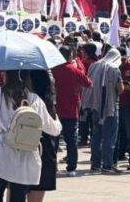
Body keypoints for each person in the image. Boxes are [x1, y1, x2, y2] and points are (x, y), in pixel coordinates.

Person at [0, 70, 62, 202]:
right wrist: (56, 118)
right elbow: (54, 130)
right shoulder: (34, 99)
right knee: (18, 198)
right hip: (24, 160)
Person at [51, 45, 90, 176]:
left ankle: (52, 165)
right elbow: (89, 83)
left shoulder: (52, 70)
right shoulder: (74, 70)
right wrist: (78, 85)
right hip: (71, 110)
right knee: (71, 140)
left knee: (54, 138)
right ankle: (71, 168)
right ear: (70, 56)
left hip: (55, 110)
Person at [88, 47, 124, 174]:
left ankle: (95, 164)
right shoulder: (115, 69)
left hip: (96, 105)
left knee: (96, 135)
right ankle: (107, 164)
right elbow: (120, 89)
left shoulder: (95, 66)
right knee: (109, 136)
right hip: (110, 106)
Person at [27, 70, 60, 202]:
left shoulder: (20, 98)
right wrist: (57, 119)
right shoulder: (45, 102)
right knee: (38, 189)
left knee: (15, 190)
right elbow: (54, 129)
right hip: (42, 149)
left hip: (20, 147)